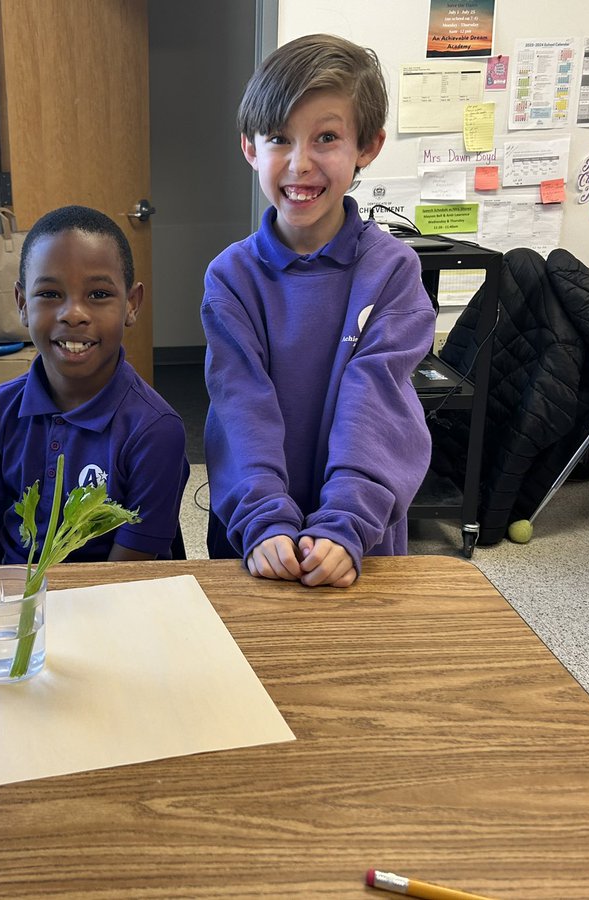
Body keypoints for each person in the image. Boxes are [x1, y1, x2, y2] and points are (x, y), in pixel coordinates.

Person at [202, 33, 434, 588]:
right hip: (255, 538)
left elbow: (377, 404)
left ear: (367, 148)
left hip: (359, 539)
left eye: (326, 137)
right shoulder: (230, 277)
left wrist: (345, 522)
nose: (300, 163)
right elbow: (240, 406)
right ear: (250, 148)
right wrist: (263, 519)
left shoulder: (393, 271)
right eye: (280, 138)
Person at [0, 205, 189, 566]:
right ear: (22, 304)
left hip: (107, 607)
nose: (74, 313)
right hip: (17, 609)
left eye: (99, 295)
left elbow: (123, 578)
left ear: (131, 305)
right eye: (51, 294)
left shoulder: (155, 431)